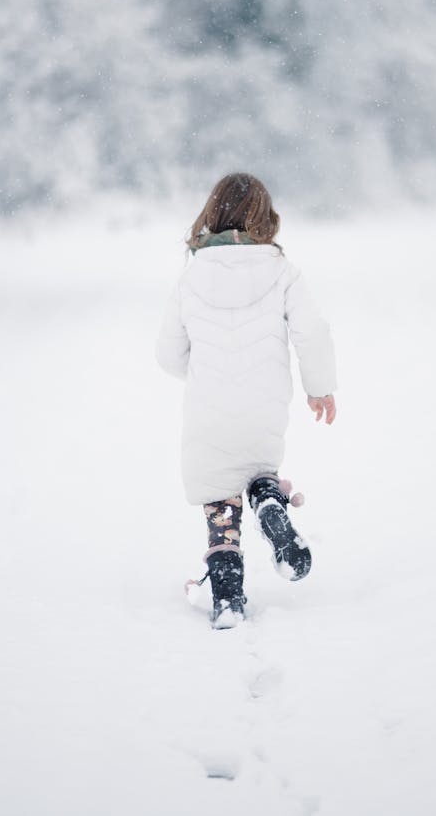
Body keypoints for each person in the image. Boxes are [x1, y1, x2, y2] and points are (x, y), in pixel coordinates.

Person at [155, 172, 337, 629]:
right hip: (265, 403)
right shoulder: (282, 272)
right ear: (265, 218)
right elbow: (312, 332)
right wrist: (320, 388)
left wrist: (199, 374)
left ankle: (228, 600)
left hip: (209, 409)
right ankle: (269, 501)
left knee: (220, 503)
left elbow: (167, 353)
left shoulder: (192, 276)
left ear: (212, 215)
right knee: (258, 468)